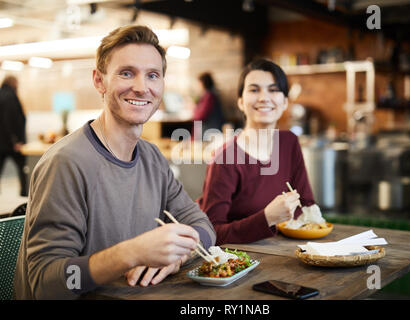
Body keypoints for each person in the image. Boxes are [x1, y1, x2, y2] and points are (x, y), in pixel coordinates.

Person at [13, 25, 216, 299]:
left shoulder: (152, 157)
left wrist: (176, 257)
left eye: (152, 75)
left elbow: (203, 227)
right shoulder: (66, 163)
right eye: (126, 73)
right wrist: (131, 253)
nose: (142, 87)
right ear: (99, 81)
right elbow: (47, 285)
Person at [197, 58, 317, 245]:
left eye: (273, 89)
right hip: (240, 262)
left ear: (285, 102)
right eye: (254, 90)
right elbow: (211, 232)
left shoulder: (289, 142)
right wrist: (267, 218)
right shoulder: (226, 158)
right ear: (240, 102)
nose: (263, 98)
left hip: (285, 254)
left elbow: (306, 204)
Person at [0, 75, 27, 196]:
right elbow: (10, 120)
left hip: (2, 143)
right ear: (13, 83)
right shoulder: (10, 97)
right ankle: (25, 195)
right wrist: (16, 140)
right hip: (11, 143)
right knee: (23, 169)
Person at [193, 72, 225, 137]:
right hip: (211, 130)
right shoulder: (210, 94)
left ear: (202, 83)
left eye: (198, 83)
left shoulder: (209, 96)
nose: (197, 86)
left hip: (209, 132)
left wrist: (194, 108)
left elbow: (199, 116)